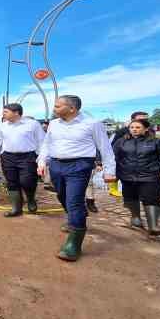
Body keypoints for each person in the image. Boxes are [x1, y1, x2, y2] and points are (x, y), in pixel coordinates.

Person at [37, 95, 116, 262]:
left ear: (72, 109)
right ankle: (76, 215)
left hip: (80, 165)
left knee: (74, 201)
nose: (54, 109)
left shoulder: (92, 123)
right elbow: (47, 144)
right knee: (62, 196)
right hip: (57, 164)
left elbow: (105, 148)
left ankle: (74, 243)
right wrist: (42, 161)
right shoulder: (53, 124)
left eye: (58, 106)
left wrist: (109, 171)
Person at [114, 119, 160, 235]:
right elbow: (113, 157)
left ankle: (153, 226)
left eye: (138, 127)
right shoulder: (121, 142)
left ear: (146, 129)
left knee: (151, 198)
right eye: (132, 127)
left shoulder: (156, 142)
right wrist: (109, 170)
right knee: (130, 198)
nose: (134, 129)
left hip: (150, 176)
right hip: (128, 176)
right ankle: (135, 218)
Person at [0, 103, 45, 217]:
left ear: (16, 113)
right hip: (8, 157)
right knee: (12, 182)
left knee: (27, 181)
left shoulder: (33, 124)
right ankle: (16, 208)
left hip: (27, 157)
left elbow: (41, 141)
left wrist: (41, 159)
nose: (3, 114)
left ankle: (30, 199)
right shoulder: (3, 126)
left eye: (6, 112)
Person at [109, 111, 149, 197]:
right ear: (132, 120)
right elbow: (113, 145)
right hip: (123, 158)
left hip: (140, 157)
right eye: (141, 119)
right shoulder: (122, 131)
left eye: (146, 119)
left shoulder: (149, 130)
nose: (144, 121)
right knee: (119, 174)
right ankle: (113, 189)